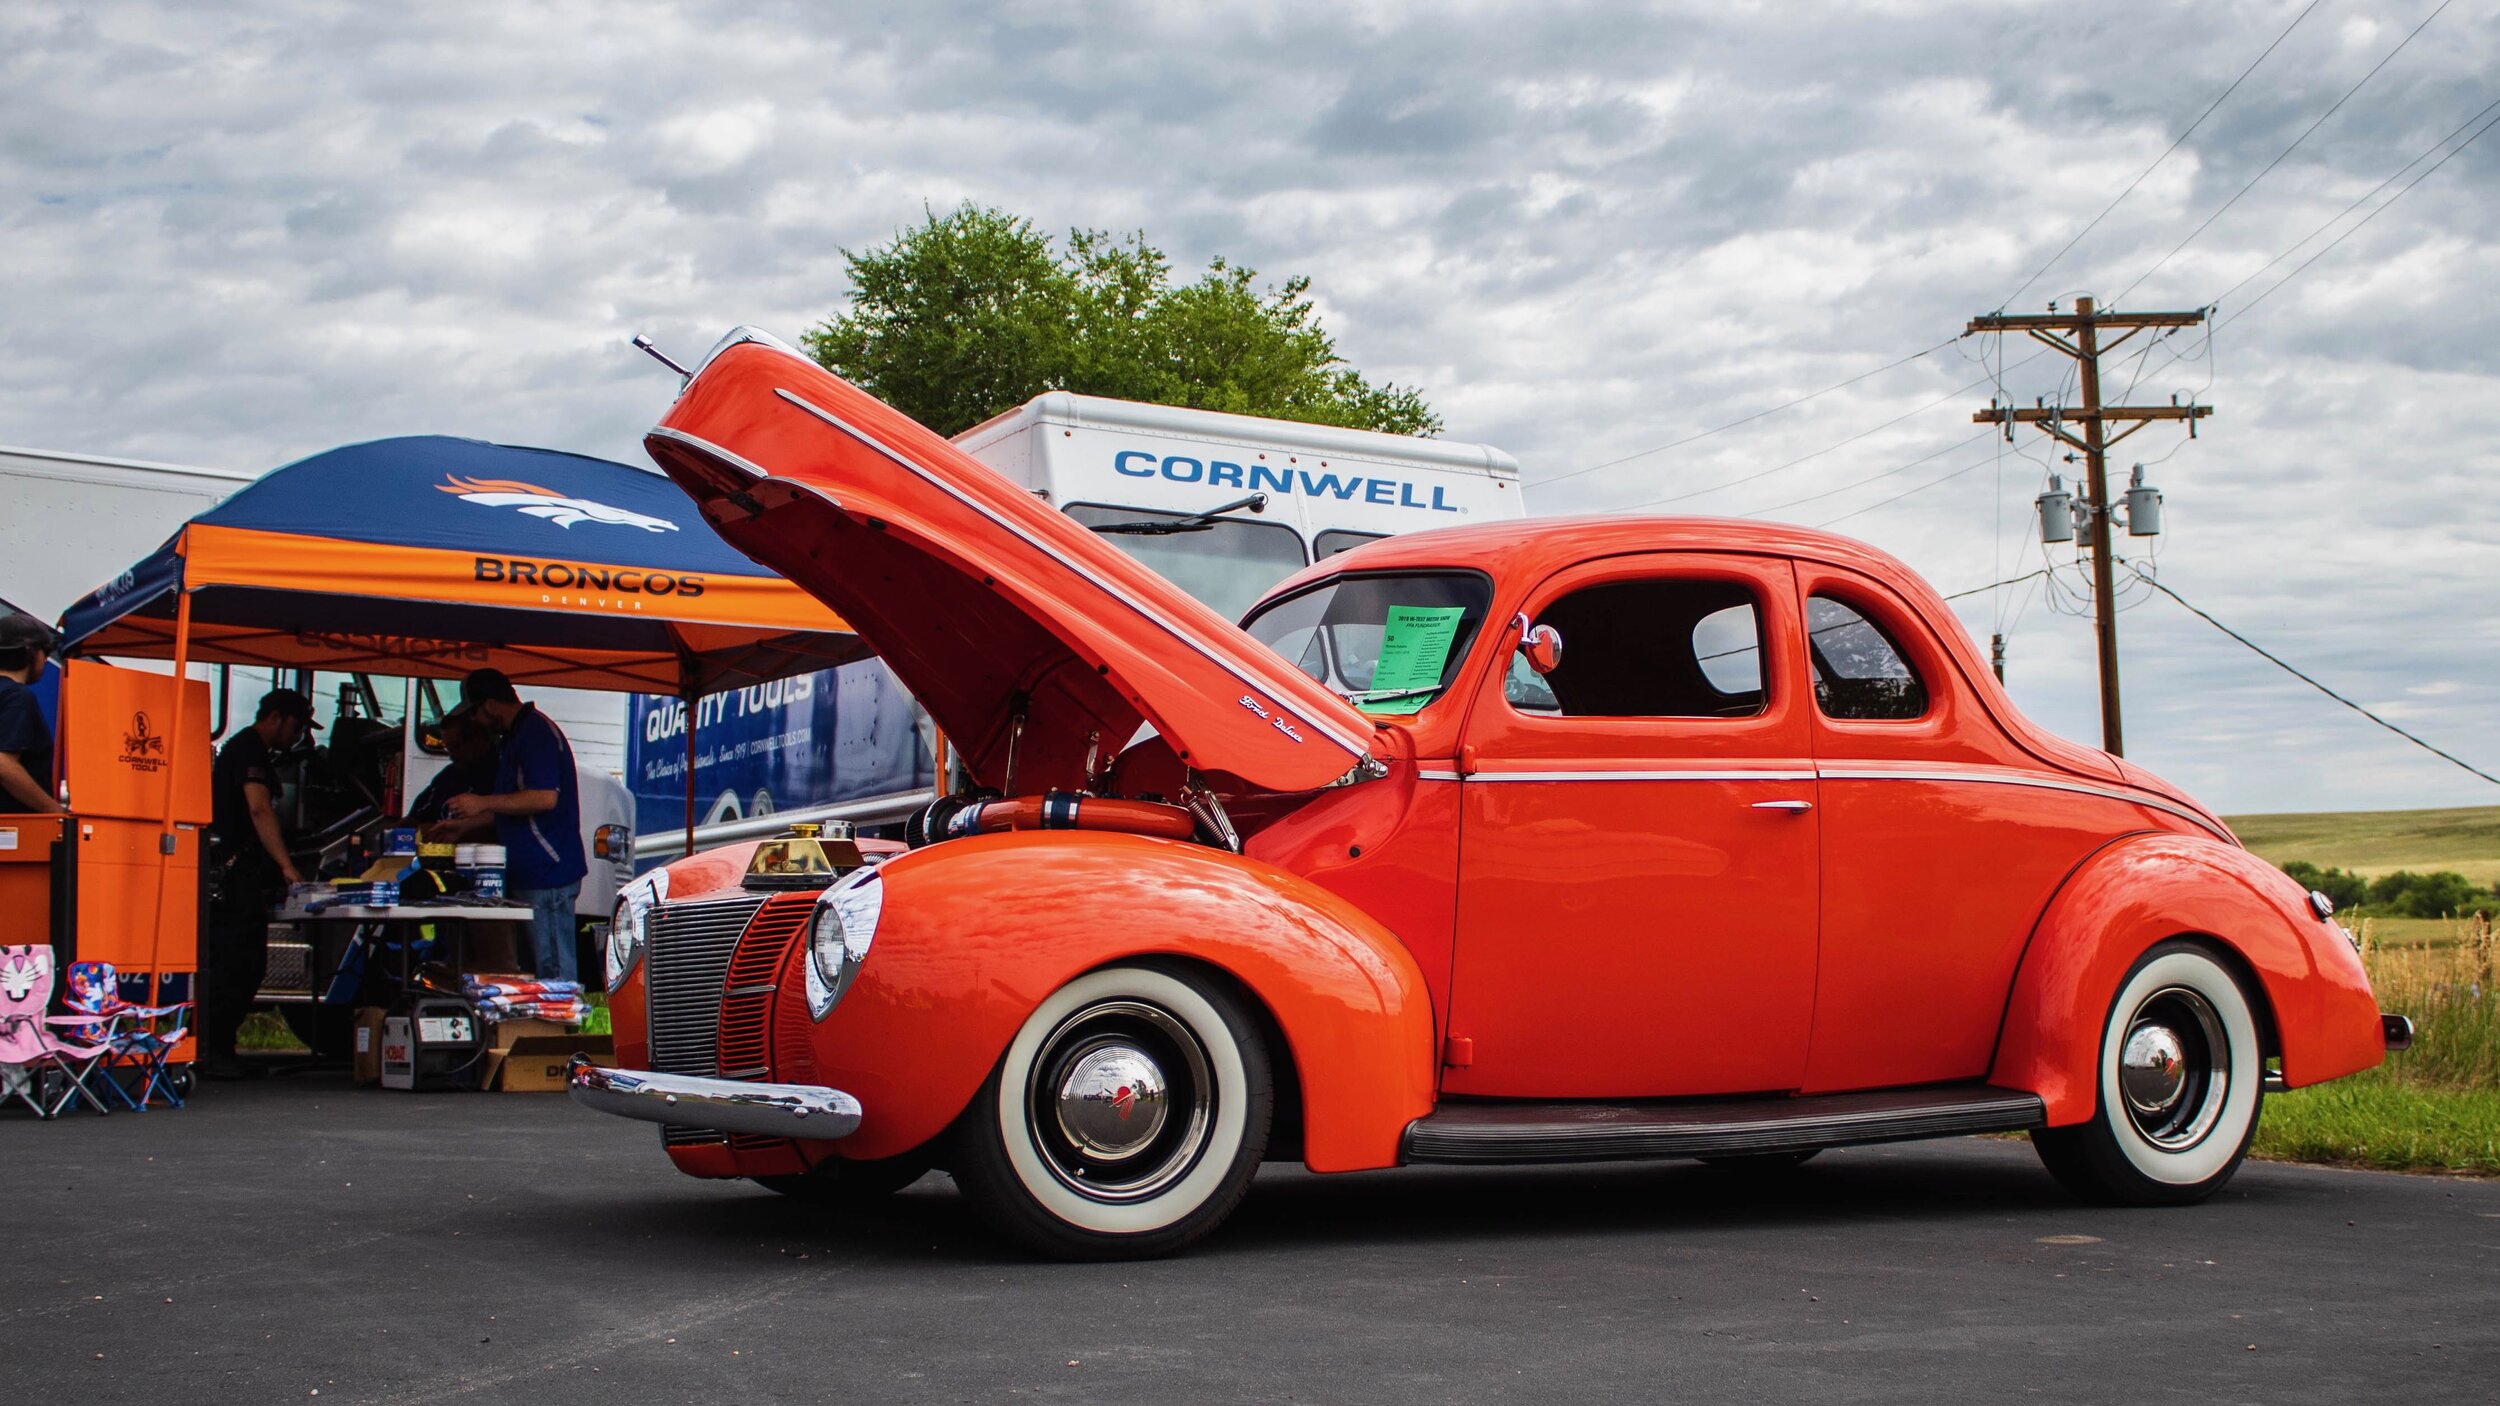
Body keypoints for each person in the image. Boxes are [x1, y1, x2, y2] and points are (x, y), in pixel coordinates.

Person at [202, 688, 317, 1078]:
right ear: (277, 717)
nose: (298, 737)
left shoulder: (243, 749)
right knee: (239, 962)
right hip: (235, 877)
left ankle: (220, 1047)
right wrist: (286, 864)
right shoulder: (249, 752)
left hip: (235, 874)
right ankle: (214, 1050)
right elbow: (258, 808)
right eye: (297, 727)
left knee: (240, 962)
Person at [443, 669, 586, 983]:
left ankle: (561, 1031)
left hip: (548, 873)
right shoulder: (514, 737)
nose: (475, 722)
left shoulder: (535, 733)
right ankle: (540, 1030)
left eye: (475, 713)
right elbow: (516, 806)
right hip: (529, 871)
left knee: (554, 975)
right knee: (538, 972)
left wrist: (482, 802)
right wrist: (467, 826)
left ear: (491, 705)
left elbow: (544, 798)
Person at [403, 705, 499, 832]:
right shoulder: (448, 776)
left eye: (456, 746)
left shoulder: (502, 774)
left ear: (477, 739)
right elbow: (415, 817)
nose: (452, 755)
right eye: (448, 748)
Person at [0, 616, 61, 814]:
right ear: (30, 651)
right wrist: (54, 811)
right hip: (14, 831)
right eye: (46, 652)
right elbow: (4, 764)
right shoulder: (17, 697)